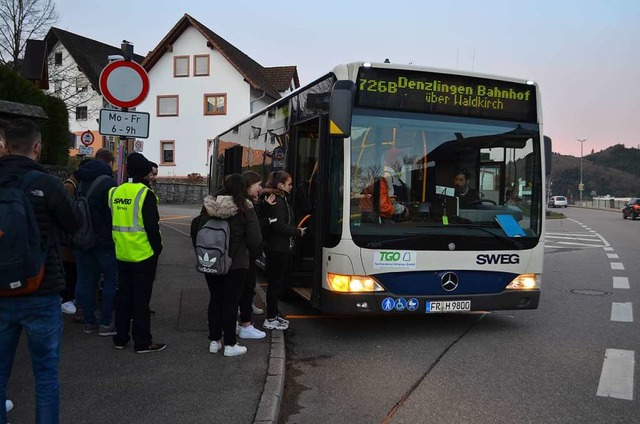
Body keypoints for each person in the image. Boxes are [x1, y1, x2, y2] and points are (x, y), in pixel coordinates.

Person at [0, 118, 80, 424]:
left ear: (5, 145)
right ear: (38, 146)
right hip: (41, 288)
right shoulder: (46, 183)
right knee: (45, 376)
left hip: (0, 291)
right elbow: (74, 225)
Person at [191, 174, 262, 356]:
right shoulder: (245, 207)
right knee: (230, 303)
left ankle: (214, 341)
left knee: (215, 299)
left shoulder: (209, 206)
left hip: (212, 260)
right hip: (236, 264)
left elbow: (197, 230)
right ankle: (230, 344)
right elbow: (255, 239)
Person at [109, 152, 165, 353]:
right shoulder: (145, 194)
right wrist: (157, 249)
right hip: (143, 254)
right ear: (144, 172)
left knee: (123, 298)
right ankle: (143, 341)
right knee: (141, 301)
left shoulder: (114, 192)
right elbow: (152, 226)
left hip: (122, 253)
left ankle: (120, 338)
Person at [74, 148, 118, 336]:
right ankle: (106, 322)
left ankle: (89, 322)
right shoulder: (108, 183)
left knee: (86, 281)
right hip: (105, 241)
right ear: (109, 164)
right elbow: (113, 214)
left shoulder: (80, 180)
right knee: (110, 281)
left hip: (83, 239)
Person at [261, 171, 306, 330]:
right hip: (278, 248)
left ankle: (274, 314)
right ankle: (271, 318)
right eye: (289, 184)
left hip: (279, 247)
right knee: (275, 284)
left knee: (276, 283)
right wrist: (297, 232)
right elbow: (278, 226)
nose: (292, 187)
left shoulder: (279, 199)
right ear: (281, 185)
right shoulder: (278, 202)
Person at [237, 171, 276, 339]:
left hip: (246, 253)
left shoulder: (251, 201)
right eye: (257, 185)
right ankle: (245, 323)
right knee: (245, 286)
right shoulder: (245, 204)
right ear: (247, 186)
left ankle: (242, 319)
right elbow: (253, 228)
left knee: (247, 285)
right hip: (245, 253)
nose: (261, 188)